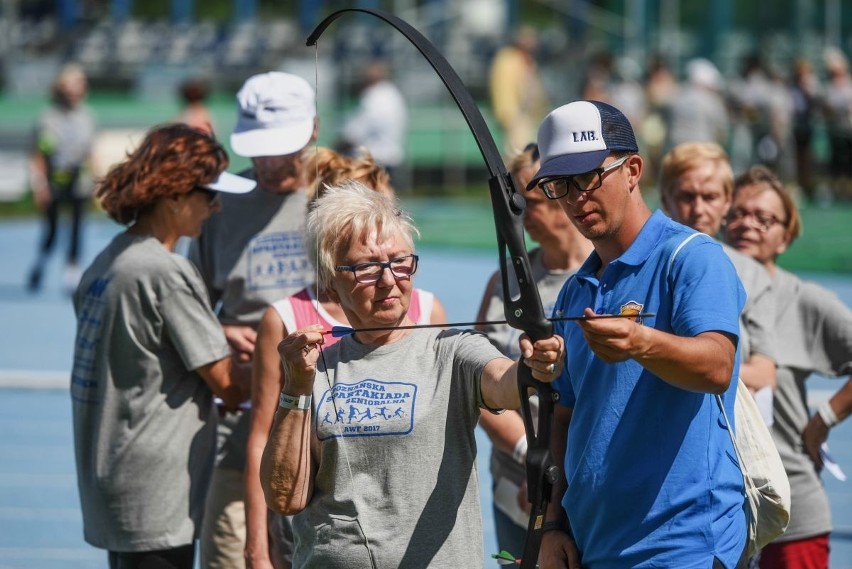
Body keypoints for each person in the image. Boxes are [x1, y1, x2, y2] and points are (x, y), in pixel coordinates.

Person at [258, 181, 564, 568]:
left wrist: (534, 366)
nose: (388, 280)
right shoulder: (313, 369)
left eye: (399, 262)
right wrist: (295, 390)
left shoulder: (451, 349)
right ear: (331, 284)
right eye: (367, 267)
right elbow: (285, 498)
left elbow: (504, 383)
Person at [526, 100, 748, 568]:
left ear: (632, 170)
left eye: (587, 177)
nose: (573, 197)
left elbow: (716, 367)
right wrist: (552, 525)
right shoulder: (575, 288)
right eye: (558, 184)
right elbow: (565, 418)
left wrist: (641, 342)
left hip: (680, 546)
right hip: (591, 545)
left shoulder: (691, 256)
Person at [243, 147, 447, 569]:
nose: (387, 274)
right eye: (363, 253)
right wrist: (257, 549)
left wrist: (524, 443)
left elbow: (479, 386)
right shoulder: (288, 319)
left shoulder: (426, 309)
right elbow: (264, 435)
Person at [70, 123, 254, 569]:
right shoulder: (164, 271)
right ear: (174, 196)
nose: (215, 208)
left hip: (115, 470)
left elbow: (141, 349)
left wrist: (214, 332)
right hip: (157, 487)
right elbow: (230, 386)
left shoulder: (111, 259)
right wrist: (281, 349)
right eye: (209, 195)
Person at [189, 71, 317, 569]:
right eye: (259, 148)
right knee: (227, 552)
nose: (269, 161)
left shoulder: (337, 199)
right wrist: (219, 332)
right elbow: (188, 301)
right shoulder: (221, 203)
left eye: (281, 147)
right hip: (237, 411)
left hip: (323, 417)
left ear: (313, 130)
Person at [723, 165, 852, 569]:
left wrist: (824, 420)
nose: (748, 224)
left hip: (793, 516)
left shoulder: (806, 300)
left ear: (786, 236)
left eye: (764, 219)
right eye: (739, 213)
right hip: (719, 516)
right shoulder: (704, 289)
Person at [475, 142, 592, 557]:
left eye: (534, 201)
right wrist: (530, 455)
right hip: (514, 482)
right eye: (517, 203)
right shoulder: (505, 280)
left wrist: (554, 473)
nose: (522, 215)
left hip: (580, 485)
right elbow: (477, 383)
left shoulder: (602, 277)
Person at [659, 142, 777, 420]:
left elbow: (765, 373)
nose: (698, 209)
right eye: (687, 196)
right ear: (666, 200)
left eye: (709, 197)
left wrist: (706, 366)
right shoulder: (646, 264)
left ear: (727, 202)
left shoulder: (752, 274)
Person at [27, 63, 97, 293]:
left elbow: (90, 152)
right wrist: (40, 185)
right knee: (52, 230)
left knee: (78, 226)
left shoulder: (87, 117)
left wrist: (96, 180)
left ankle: (72, 272)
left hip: (78, 179)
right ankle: (41, 262)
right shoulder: (47, 118)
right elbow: (37, 154)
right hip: (54, 179)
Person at [339, 61, 408, 183]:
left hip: (372, 162)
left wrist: (338, 148)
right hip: (389, 160)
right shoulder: (394, 94)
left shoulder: (373, 97)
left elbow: (356, 131)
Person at [488, 25, 549, 155]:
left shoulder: (527, 61)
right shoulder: (508, 59)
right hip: (514, 115)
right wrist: (508, 114)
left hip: (527, 116)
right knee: (518, 153)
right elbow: (504, 88)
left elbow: (535, 91)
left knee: (526, 151)